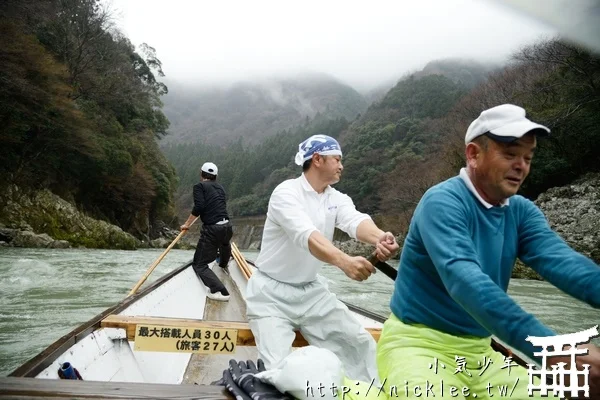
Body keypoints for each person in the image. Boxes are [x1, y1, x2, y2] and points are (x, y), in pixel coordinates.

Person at [376, 104, 600, 398]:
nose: (521, 165)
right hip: (417, 344)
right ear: (473, 154)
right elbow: (467, 282)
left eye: (528, 157)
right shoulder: (442, 202)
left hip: (481, 352)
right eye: (510, 154)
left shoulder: (521, 212)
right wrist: (551, 349)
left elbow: (565, 264)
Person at [245, 134, 400, 383]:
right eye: (336, 159)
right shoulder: (286, 193)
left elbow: (355, 220)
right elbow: (306, 236)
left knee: (359, 343)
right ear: (317, 159)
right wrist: (345, 262)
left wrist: (380, 237)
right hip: (270, 295)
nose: (341, 165)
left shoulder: (335, 197)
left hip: (311, 292)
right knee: (279, 369)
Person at [181, 162, 233, 301]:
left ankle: (221, 291)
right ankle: (223, 264)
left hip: (213, 229)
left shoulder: (199, 186)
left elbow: (199, 207)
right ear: (215, 176)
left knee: (199, 264)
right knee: (225, 243)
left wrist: (187, 224)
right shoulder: (220, 188)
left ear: (201, 174)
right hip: (227, 226)